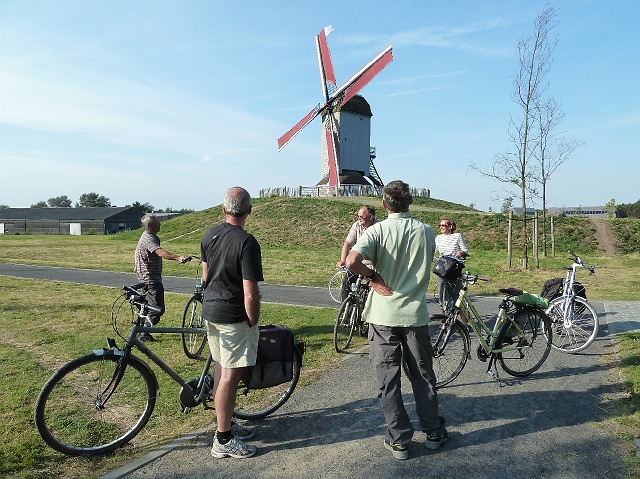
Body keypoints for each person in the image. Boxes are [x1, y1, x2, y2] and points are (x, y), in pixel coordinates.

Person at [345, 180, 447, 461]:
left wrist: (373, 277)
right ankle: (434, 431)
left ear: (383, 204)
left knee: (388, 379)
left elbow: (352, 259)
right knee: (423, 376)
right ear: (410, 202)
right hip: (414, 315)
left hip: (382, 315)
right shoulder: (427, 232)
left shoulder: (377, 230)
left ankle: (399, 439)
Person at [200, 187, 263, 459]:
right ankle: (223, 440)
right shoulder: (247, 242)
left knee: (220, 368)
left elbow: (205, 277)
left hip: (210, 311)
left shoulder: (209, 235)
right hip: (233, 315)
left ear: (223, 210)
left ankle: (224, 423)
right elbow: (250, 290)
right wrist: (252, 319)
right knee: (230, 375)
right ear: (249, 210)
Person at [134, 213, 187, 341]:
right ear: (150, 226)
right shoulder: (149, 239)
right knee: (157, 309)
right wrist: (177, 257)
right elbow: (159, 252)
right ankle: (144, 332)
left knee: (146, 306)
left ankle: (140, 329)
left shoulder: (149, 236)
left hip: (145, 277)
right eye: (157, 222)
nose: (160, 224)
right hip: (150, 279)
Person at [335, 205, 377, 301]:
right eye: (358, 216)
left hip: (372, 266)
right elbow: (347, 243)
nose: (359, 219)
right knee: (347, 282)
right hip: (357, 263)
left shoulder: (378, 228)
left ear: (370, 217)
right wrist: (343, 260)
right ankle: (345, 310)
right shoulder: (357, 225)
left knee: (369, 290)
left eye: (361, 217)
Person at [434, 216, 469, 312]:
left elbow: (465, 250)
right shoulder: (438, 238)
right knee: (441, 291)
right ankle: (446, 313)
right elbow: (434, 251)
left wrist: (460, 253)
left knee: (456, 294)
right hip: (443, 267)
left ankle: (463, 319)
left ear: (451, 226)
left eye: (443, 225)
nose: (441, 227)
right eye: (440, 225)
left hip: (454, 266)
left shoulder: (457, 236)